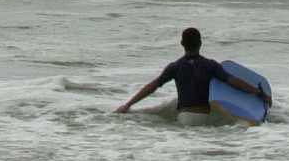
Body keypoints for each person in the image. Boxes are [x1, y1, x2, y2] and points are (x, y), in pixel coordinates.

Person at [115, 27, 271, 125]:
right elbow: (235, 82)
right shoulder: (211, 65)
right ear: (200, 43)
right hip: (204, 117)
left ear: (182, 44)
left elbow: (152, 87)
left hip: (184, 117)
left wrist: (128, 104)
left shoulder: (174, 67)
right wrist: (258, 93)